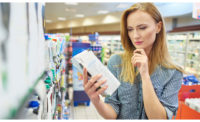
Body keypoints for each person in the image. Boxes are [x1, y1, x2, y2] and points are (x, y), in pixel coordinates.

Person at [83, 2, 183, 119]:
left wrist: (145, 75)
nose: (135, 35)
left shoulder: (173, 72)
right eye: (130, 29)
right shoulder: (116, 62)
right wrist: (96, 101)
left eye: (142, 28)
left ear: (158, 27)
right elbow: (113, 111)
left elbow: (160, 118)